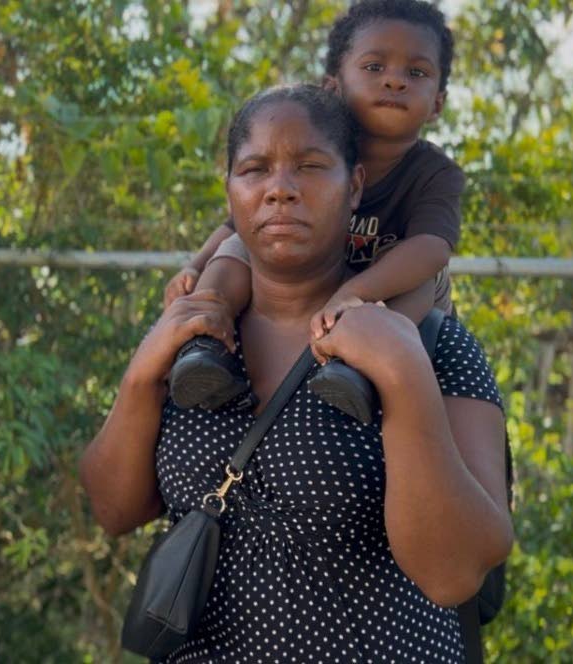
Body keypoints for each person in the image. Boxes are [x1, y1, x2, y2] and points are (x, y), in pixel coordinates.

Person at [80, 85, 512, 662]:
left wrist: (404, 376)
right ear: (230, 193)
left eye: (309, 167)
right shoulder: (192, 342)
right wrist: (141, 376)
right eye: (254, 169)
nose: (279, 189)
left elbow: (455, 572)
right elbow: (114, 512)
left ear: (354, 185)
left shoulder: (434, 346)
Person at [167, 0, 464, 421]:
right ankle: (206, 345)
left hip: (385, 294)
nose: (395, 81)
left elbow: (434, 248)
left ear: (437, 103)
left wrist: (357, 294)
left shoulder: (435, 173)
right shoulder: (313, 155)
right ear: (333, 87)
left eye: (415, 73)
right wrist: (195, 266)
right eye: (374, 67)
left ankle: (359, 369)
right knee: (238, 245)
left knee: (421, 276)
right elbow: (236, 223)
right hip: (320, 280)